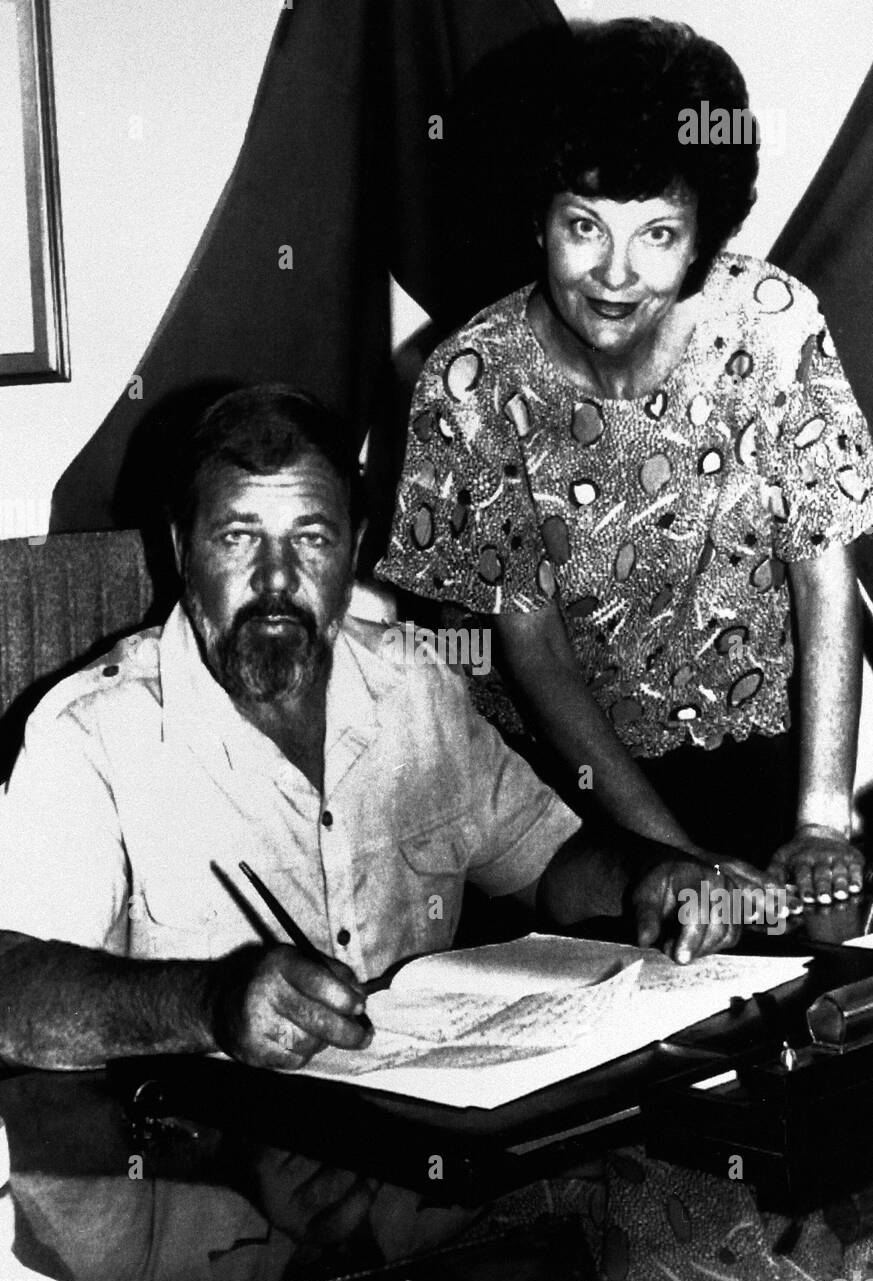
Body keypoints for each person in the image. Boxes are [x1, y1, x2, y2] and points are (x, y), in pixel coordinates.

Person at [0, 384, 736, 1075]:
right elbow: (12, 993)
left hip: (425, 1149)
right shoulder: (92, 737)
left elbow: (547, 866)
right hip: (204, 1168)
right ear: (181, 551)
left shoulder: (414, 684)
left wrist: (648, 876)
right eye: (236, 538)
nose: (276, 580)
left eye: (311, 540)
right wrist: (208, 1003)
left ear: (352, 551)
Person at [375, 18, 873, 905]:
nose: (613, 272)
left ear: (700, 237)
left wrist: (820, 822)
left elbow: (821, 575)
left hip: (750, 758)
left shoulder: (770, 325)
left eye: (655, 234)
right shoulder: (470, 384)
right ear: (538, 219)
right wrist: (671, 862)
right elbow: (531, 648)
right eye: (583, 226)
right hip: (567, 800)